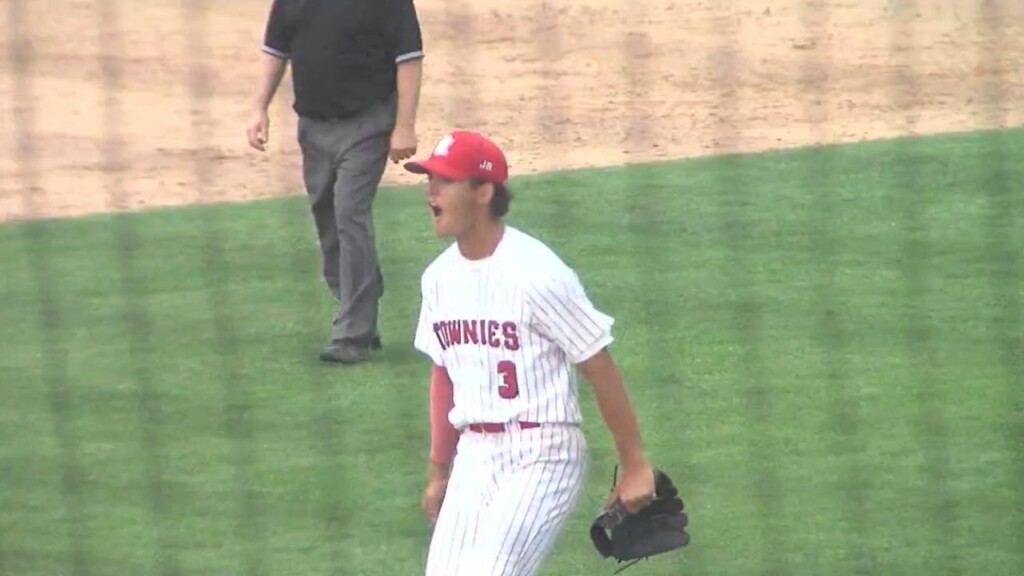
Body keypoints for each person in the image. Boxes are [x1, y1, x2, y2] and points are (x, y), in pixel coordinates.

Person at [405, 130, 658, 576]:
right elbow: (444, 375)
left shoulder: (537, 274)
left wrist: (635, 466)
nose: (431, 193)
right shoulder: (438, 279)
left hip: (543, 452)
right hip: (475, 456)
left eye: (444, 181)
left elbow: (598, 366)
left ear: (484, 192)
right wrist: (439, 470)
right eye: (429, 180)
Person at [247, 0, 425, 364]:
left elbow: (408, 58)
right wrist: (258, 107)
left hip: (369, 121)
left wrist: (404, 125)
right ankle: (358, 296)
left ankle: (353, 335)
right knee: (327, 218)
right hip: (313, 126)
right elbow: (275, 49)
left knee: (349, 213)